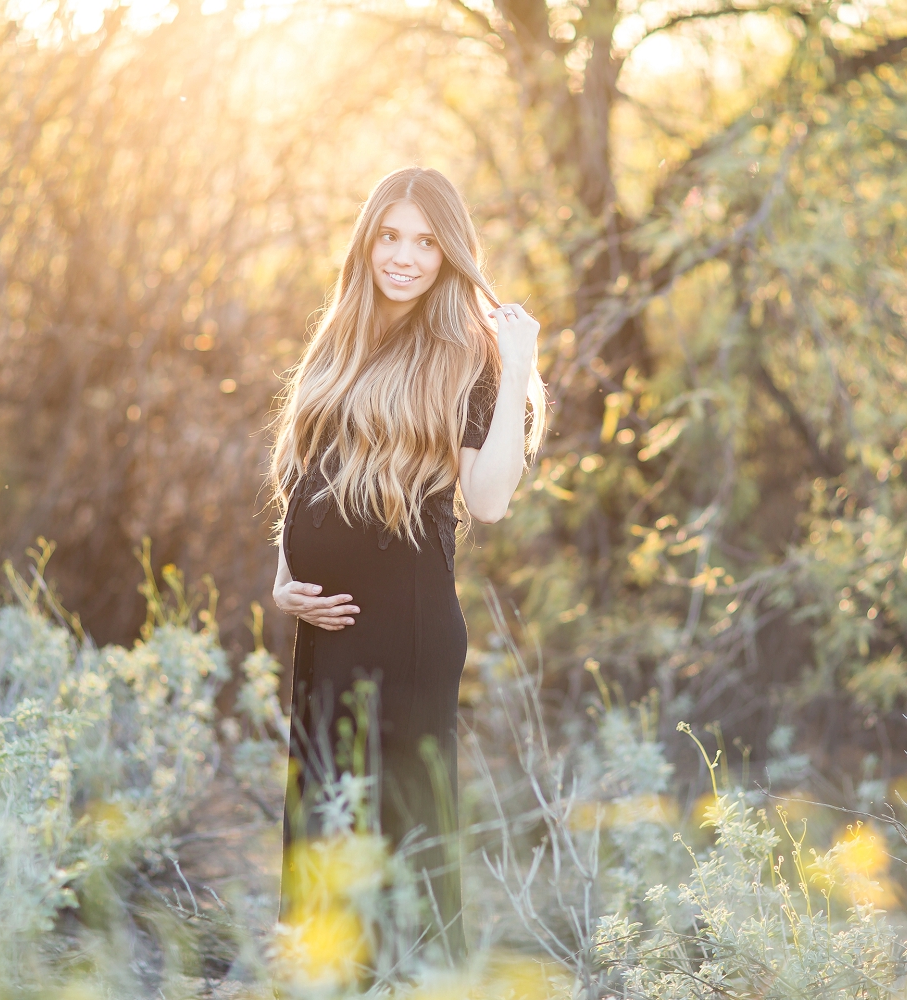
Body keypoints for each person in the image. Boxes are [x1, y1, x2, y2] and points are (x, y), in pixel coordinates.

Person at [267, 166, 546, 965]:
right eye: (390, 236)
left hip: (406, 634)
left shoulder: (468, 357)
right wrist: (285, 577)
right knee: (324, 825)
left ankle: (412, 983)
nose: (404, 257)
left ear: (450, 254)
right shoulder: (340, 340)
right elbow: (301, 475)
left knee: (401, 840)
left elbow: (488, 499)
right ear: (367, 241)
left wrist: (519, 363)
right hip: (327, 632)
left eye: (426, 242)